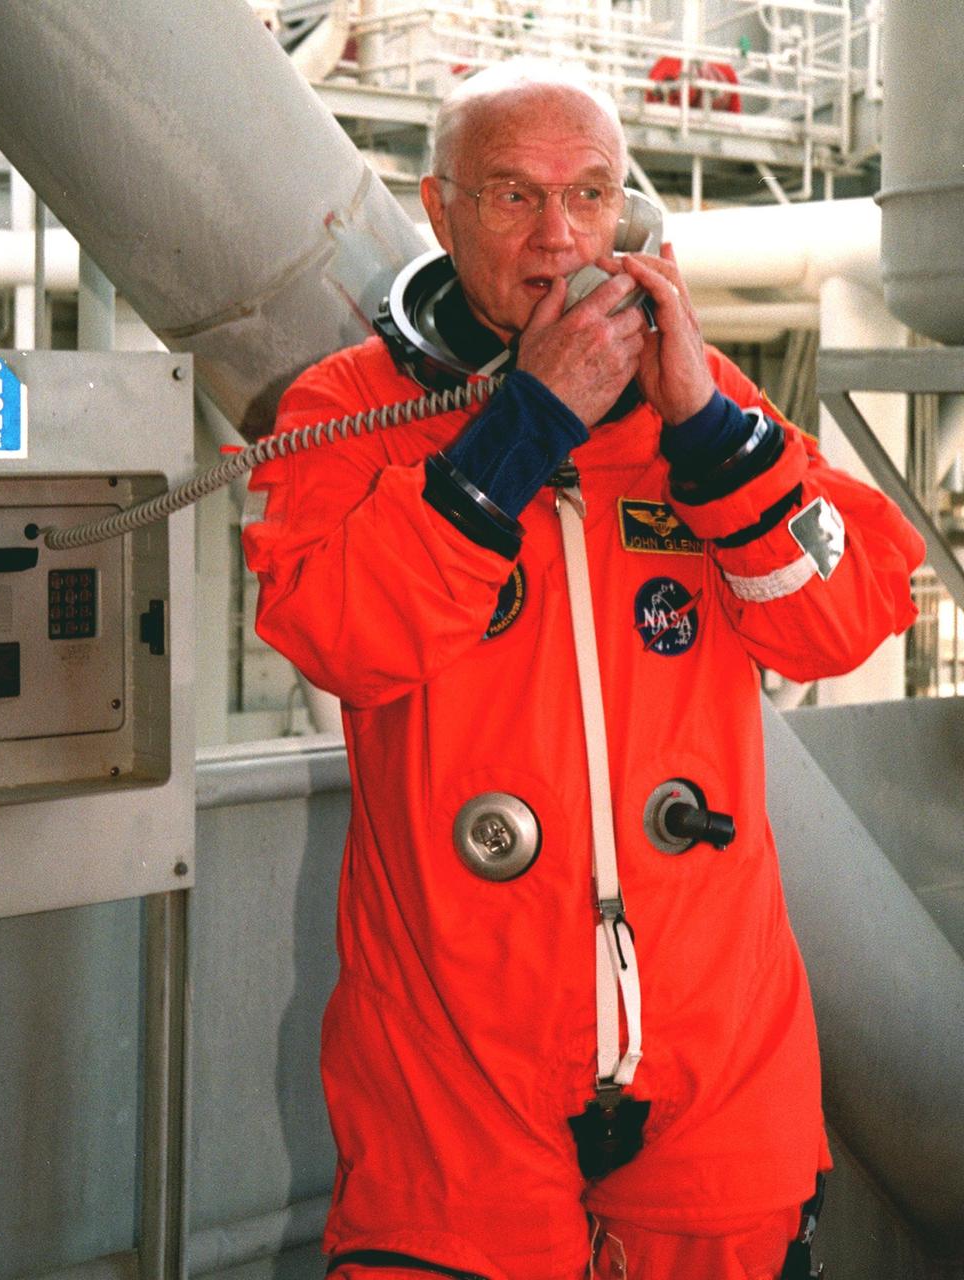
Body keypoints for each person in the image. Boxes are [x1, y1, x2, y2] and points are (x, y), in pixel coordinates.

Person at [243, 60, 924, 1280]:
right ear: (440, 210)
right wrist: (518, 436)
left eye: (589, 194)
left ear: (627, 215)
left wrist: (712, 433)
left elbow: (844, 613)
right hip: (451, 1060)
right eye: (512, 196)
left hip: (714, 1058)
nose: (558, 235)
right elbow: (336, 629)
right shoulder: (347, 409)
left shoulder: (697, 413)